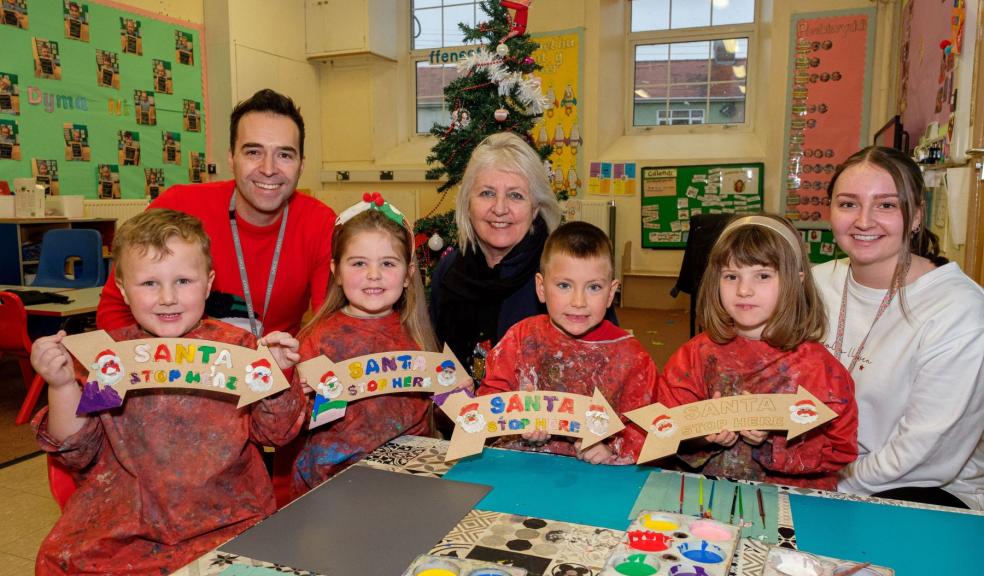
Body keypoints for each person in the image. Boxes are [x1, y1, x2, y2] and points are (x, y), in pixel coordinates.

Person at [30, 209, 306, 574]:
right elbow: (76, 452)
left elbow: (277, 433)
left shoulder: (240, 348)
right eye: (149, 284)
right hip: (123, 525)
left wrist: (277, 371)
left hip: (229, 518)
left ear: (208, 284)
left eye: (183, 281)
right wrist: (62, 385)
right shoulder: (109, 357)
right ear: (123, 289)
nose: (167, 298)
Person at [815, 146, 984, 509]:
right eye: (848, 204)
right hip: (816, 472)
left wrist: (832, 487)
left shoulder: (958, 309)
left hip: (921, 488)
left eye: (886, 205)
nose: (863, 220)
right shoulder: (813, 284)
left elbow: (925, 454)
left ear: (917, 216)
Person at [97, 88, 336, 338]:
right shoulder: (178, 206)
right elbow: (114, 310)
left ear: (301, 165)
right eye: (253, 152)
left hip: (278, 369)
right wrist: (166, 363)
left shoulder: (321, 224)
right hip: (181, 368)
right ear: (232, 158)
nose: (268, 169)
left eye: (284, 155)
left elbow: (327, 328)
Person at [658, 214, 857, 489]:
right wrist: (702, 434)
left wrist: (773, 440)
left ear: (796, 280)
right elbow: (663, 429)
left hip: (792, 504)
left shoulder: (818, 369)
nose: (743, 290)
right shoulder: (694, 356)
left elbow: (840, 448)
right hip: (705, 499)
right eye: (731, 276)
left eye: (762, 275)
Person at [287, 194, 437, 499]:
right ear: (336, 271)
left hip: (408, 486)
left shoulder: (416, 338)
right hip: (328, 490)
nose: (373, 275)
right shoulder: (316, 340)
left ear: (408, 275)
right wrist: (296, 398)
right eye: (358, 263)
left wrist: (460, 393)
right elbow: (289, 426)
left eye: (387, 263)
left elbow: (442, 417)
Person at [477, 222, 655, 465]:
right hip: (520, 465)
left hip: (594, 478)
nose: (578, 301)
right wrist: (517, 420)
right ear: (541, 287)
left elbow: (648, 427)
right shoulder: (520, 338)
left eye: (594, 287)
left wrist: (612, 449)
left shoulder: (632, 357)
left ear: (611, 293)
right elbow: (490, 398)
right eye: (564, 285)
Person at [430, 132, 563, 383]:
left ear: (535, 208)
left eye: (516, 195)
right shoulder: (448, 272)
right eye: (487, 193)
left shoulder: (560, 272)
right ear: (468, 204)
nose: (500, 208)